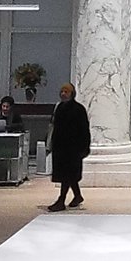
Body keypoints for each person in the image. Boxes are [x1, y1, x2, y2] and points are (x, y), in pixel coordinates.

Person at [47, 82, 90, 211]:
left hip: (73, 148)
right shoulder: (59, 107)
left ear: (72, 94)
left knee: (67, 174)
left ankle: (61, 200)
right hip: (61, 147)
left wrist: (85, 147)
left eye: (66, 92)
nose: (63, 94)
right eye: (62, 92)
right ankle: (77, 196)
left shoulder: (78, 109)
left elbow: (84, 130)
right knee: (69, 175)